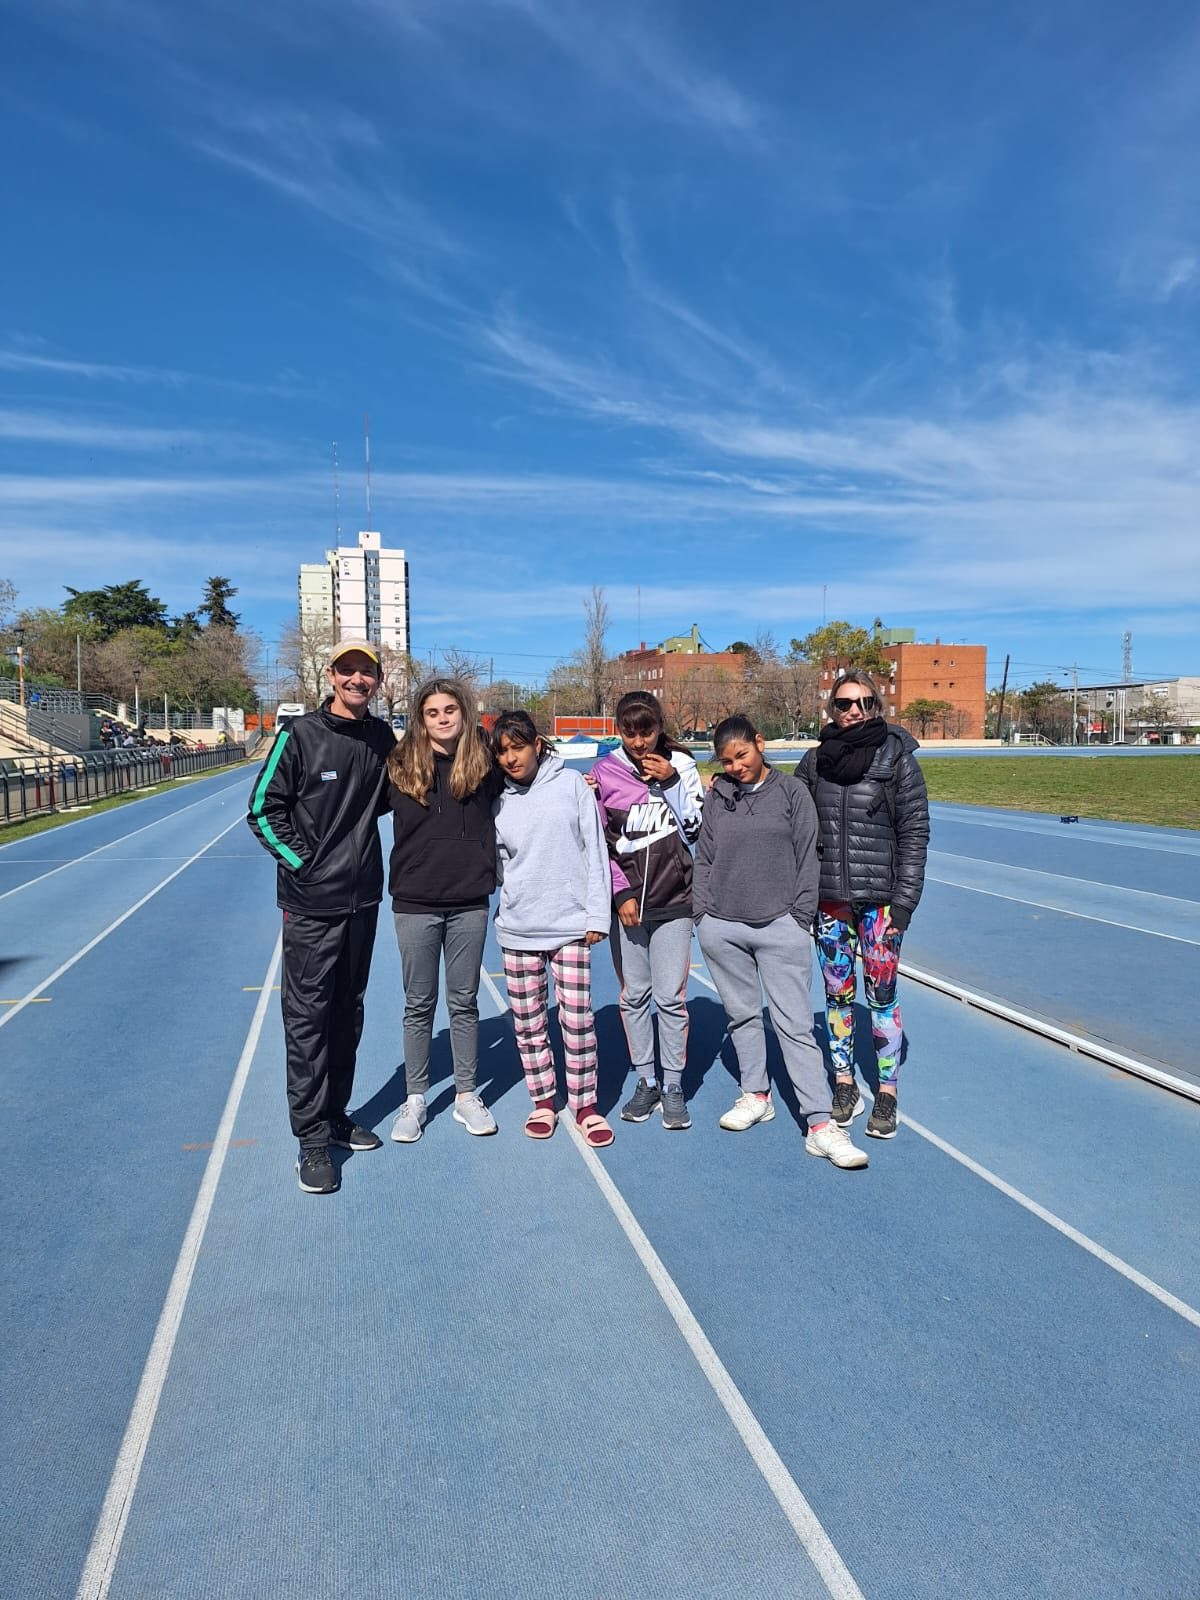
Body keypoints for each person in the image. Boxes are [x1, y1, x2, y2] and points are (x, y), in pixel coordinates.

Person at [246, 638, 395, 1194]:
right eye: (348, 670)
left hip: (363, 901)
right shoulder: (299, 735)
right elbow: (262, 810)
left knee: (347, 1014)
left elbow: (404, 790)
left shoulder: (381, 738)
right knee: (308, 1019)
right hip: (311, 906)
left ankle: (335, 1114)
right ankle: (309, 1139)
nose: (357, 679)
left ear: (378, 681)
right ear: (331, 676)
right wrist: (304, 867)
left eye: (367, 672)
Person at [693, 715, 868, 1170]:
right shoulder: (719, 798)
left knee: (794, 1025)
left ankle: (819, 1124)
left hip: (780, 927)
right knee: (742, 1016)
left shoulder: (792, 793)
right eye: (727, 761)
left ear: (760, 743)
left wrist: (798, 917)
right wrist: (702, 916)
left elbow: (808, 856)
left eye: (742, 755)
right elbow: (706, 857)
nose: (735, 767)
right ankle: (756, 1094)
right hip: (722, 927)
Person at [795, 670, 930, 1140]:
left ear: (877, 708)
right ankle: (845, 1083)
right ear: (831, 709)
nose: (853, 710)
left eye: (864, 703)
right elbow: (790, 821)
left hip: (881, 908)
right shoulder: (814, 764)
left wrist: (904, 903)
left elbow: (914, 834)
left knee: (882, 998)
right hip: (829, 903)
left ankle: (887, 1091)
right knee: (837, 997)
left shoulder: (898, 760)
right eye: (844, 703)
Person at [386, 677, 502, 1143]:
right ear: (420, 718)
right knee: (419, 1004)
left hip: (469, 902)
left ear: (464, 713)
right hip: (415, 902)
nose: (442, 718)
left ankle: (466, 1095)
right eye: (432, 712)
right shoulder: (398, 766)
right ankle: (415, 1098)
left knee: (464, 1002)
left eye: (450, 709)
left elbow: (532, 774)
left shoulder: (484, 765)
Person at [491, 712, 614, 1147]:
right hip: (520, 928)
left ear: (538, 744)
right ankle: (543, 1099)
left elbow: (595, 852)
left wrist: (597, 916)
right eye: (502, 750)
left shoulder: (572, 788)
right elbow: (501, 866)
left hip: (570, 926)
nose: (510, 757)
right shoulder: (499, 801)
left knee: (577, 1021)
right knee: (528, 1023)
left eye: (517, 747)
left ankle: (585, 1105)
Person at [590, 691, 704, 1131]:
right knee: (634, 995)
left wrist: (672, 782)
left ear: (660, 728)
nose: (638, 742)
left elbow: (696, 830)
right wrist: (620, 895)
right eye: (629, 732)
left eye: (647, 731)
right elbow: (601, 845)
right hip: (630, 908)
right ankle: (646, 1080)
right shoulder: (604, 773)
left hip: (675, 901)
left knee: (670, 999)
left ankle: (673, 1085)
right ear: (619, 730)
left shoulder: (684, 767)